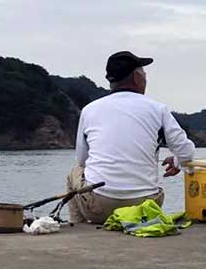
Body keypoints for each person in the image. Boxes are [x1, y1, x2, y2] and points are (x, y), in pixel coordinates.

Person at [67, 51, 195, 224]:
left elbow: (82, 160)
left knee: (74, 173)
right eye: (144, 74)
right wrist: (178, 162)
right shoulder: (157, 109)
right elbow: (186, 152)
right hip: (146, 208)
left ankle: (79, 227)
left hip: (100, 208)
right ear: (136, 77)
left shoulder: (90, 110)